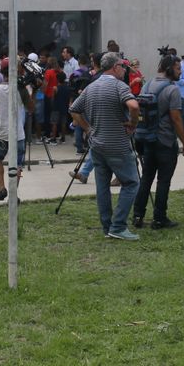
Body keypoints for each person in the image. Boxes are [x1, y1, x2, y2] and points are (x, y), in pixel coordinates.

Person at [69, 52, 141, 240]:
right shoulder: (119, 86)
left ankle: (107, 226)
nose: (125, 70)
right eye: (123, 67)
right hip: (117, 143)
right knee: (132, 182)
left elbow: (74, 109)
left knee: (102, 186)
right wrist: (133, 124)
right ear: (115, 67)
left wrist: (88, 129)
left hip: (97, 144)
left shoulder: (91, 87)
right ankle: (118, 226)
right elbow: (133, 106)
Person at [132, 54, 184, 230]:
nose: (180, 72)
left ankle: (137, 215)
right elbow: (176, 119)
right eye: (178, 68)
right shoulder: (172, 89)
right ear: (169, 68)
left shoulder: (147, 84)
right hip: (165, 141)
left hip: (147, 139)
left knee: (146, 178)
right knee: (163, 181)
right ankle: (159, 218)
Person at [0, 68, 34, 201]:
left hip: (0, 131)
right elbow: (31, 108)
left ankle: (1, 188)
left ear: (1, 73)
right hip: (17, 133)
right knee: (18, 164)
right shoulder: (21, 90)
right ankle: (13, 193)